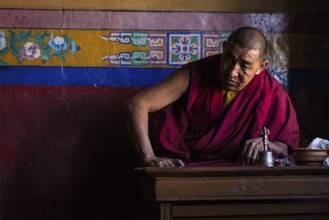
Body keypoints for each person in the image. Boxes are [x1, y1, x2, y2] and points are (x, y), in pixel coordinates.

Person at [125, 26, 300, 167]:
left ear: (262, 66)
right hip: (186, 168)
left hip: (241, 173)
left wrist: (267, 144)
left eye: (245, 65)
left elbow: (287, 147)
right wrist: (149, 157)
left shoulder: (271, 91)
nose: (232, 72)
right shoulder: (195, 75)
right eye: (229, 59)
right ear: (223, 49)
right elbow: (136, 105)